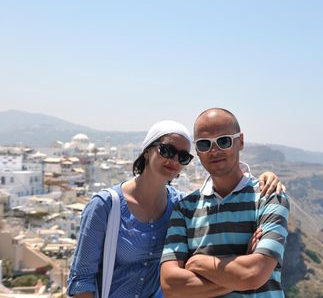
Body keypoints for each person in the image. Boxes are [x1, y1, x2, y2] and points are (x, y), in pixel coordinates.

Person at [67, 120, 284, 298]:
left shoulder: (181, 206)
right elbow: (82, 279)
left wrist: (266, 177)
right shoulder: (106, 206)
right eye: (167, 150)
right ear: (146, 151)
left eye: (183, 156)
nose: (173, 160)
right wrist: (241, 278)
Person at [160, 109, 289, 297]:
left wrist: (199, 263)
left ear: (241, 141)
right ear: (197, 151)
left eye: (224, 140)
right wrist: (241, 269)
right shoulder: (185, 209)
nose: (214, 150)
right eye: (205, 144)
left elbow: (254, 274)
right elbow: (171, 286)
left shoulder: (269, 196)